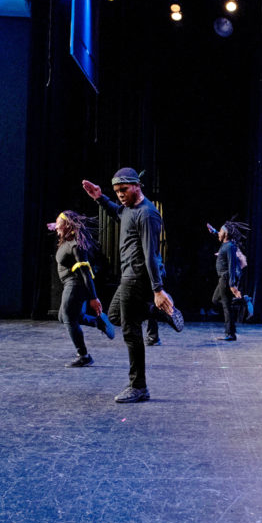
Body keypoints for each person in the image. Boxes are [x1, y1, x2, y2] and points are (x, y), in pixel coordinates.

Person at [82, 168, 183, 403]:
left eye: (123, 190)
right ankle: (157, 313)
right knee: (116, 316)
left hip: (138, 276)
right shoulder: (129, 209)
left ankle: (138, 386)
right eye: (116, 191)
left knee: (130, 330)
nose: (120, 194)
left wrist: (157, 289)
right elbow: (119, 213)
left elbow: (151, 253)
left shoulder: (147, 214)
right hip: (129, 275)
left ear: (137, 185)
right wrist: (99, 197)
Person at [48, 210, 115, 367]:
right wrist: (55, 226)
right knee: (63, 317)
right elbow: (59, 227)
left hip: (75, 285)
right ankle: (98, 323)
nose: (56, 228)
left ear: (68, 226)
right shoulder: (67, 239)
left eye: (59, 225)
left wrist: (93, 297)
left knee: (69, 319)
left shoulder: (76, 246)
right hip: (70, 284)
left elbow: (86, 273)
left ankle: (83, 355)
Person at [208, 220, 249, 341]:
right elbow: (219, 235)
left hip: (226, 278)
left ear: (225, 234)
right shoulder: (226, 243)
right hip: (223, 278)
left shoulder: (230, 246)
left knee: (226, 306)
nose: (219, 234)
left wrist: (232, 285)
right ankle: (241, 301)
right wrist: (214, 231)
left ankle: (230, 333)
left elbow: (232, 266)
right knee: (215, 300)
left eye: (220, 231)